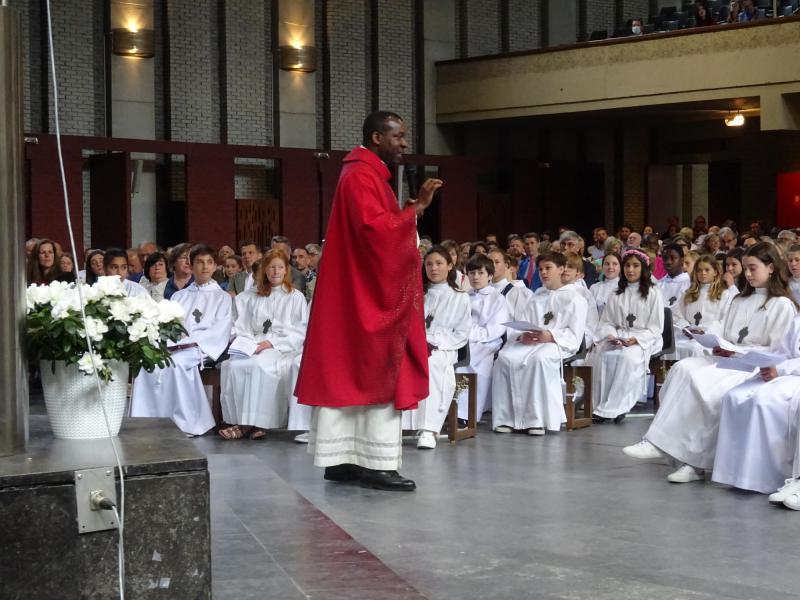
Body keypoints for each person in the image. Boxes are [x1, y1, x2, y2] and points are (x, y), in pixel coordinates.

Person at [294, 111, 442, 492]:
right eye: (399, 136)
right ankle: (375, 463)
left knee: (351, 371)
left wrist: (403, 212)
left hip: (356, 290)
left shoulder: (365, 173)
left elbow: (375, 229)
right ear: (377, 137)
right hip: (366, 295)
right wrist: (416, 210)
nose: (405, 144)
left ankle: (342, 459)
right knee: (375, 368)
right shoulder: (361, 175)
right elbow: (377, 235)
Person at [623, 242, 797, 483]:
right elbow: (725, 331)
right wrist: (719, 343)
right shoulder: (739, 300)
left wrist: (738, 352)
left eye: (752, 268)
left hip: (753, 367)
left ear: (771, 268)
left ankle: (694, 462)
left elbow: (778, 350)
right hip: (729, 360)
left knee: (706, 385)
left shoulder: (783, 305)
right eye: (745, 268)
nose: (747, 274)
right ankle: (658, 443)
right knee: (683, 368)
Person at [130, 244, 233, 436]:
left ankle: (186, 422)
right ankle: (148, 419)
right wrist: (172, 340)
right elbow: (168, 324)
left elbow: (221, 330)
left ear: (215, 266)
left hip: (201, 348)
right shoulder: (180, 295)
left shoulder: (222, 297)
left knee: (176, 364)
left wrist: (191, 341)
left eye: (209, 262)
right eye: (199, 262)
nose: (205, 267)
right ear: (191, 265)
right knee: (148, 362)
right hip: (175, 344)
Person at [492, 252, 587, 436]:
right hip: (532, 341)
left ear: (561, 269)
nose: (543, 272)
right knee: (505, 357)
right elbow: (524, 321)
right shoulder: (537, 296)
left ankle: (536, 420)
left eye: (548, 268)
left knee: (539, 359)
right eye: (541, 269)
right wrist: (522, 335)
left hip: (557, 344)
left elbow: (574, 334)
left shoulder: (575, 298)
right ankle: (507, 418)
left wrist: (550, 335)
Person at [219, 249, 309, 441]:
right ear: (264, 271)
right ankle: (243, 421)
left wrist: (270, 342)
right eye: (271, 268)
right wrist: (248, 343)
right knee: (234, 365)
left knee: (258, 366)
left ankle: (251, 424)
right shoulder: (250, 296)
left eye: (280, 267)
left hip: (280, 348)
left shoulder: (295, 297)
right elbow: (239, 326)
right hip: (253, 345)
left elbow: (299, 331)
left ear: (286, 270)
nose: (275, 272)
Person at [712, 315, 800, 495]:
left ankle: (769, 478)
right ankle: (737, 474)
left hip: (793, 375)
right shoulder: (797, 319)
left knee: (764, 402)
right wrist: (770, 364)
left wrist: (781, 369)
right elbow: (783, 352)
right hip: (787, 373)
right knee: (734, 396)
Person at [402, 247, 470, 450]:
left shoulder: (460, 297)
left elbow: (461, 332)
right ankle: (402, 425)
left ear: (450, 266)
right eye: (429, 264)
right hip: (416, 344)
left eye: (439, 263)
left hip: (444, 348)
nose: (433, 268)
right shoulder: (417, 295)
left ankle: (429, 429)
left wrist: (434, 342)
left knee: (432, 364)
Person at [588, 249, 664, 423]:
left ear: (643, 268)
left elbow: (656, 327)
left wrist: (636, 339)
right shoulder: (616, 293)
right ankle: (599, 404)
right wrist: (612, 335)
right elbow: (607, 321)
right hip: (620, 336)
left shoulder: (654, 293)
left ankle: (618, 407)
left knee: (628, 357)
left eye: (635, 266)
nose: (630, 270)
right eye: (627, 265)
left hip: (645, 337)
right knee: (602, 354)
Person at [455, 254, 510, 424]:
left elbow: (496, 329)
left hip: (487, 342)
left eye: (480, 273)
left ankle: (466, 413)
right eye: (472, 273)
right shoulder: (463, 296)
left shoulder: (497, 298)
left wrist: (470, 335)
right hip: (463, 338)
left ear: (490, 276)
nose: (476, 277)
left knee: (470, 361)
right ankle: (448, 408)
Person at [672, 254, 737, 359]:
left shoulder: (724, 294)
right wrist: (686, 327)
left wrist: (704, 330)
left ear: (715, 272)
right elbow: (676, 314)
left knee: (696, 348)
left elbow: (726, 320)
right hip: (688, 336)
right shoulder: (688, 293)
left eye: (707, 270)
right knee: (674, 346)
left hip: (710, 337)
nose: (703, 273)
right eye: (699, 270)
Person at [562, 252, 599, 349]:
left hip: (578, 340)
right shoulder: (552, 290)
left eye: (570, 267)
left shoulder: (584, 294)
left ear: (578, 272)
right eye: (563, 266)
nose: (565, 269)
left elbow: (591, 324)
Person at [489, 249, 531, 320]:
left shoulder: (518, 291)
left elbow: (522, 322)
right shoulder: (481, 289)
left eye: (497, 262)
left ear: (505, 266)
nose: (493, 265)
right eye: (489, 262)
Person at [657, 243, 690, 311]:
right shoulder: (658, 284)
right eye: (665, 258)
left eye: (673, 258)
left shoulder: (690, 283)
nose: (668, 262)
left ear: (682, 260)